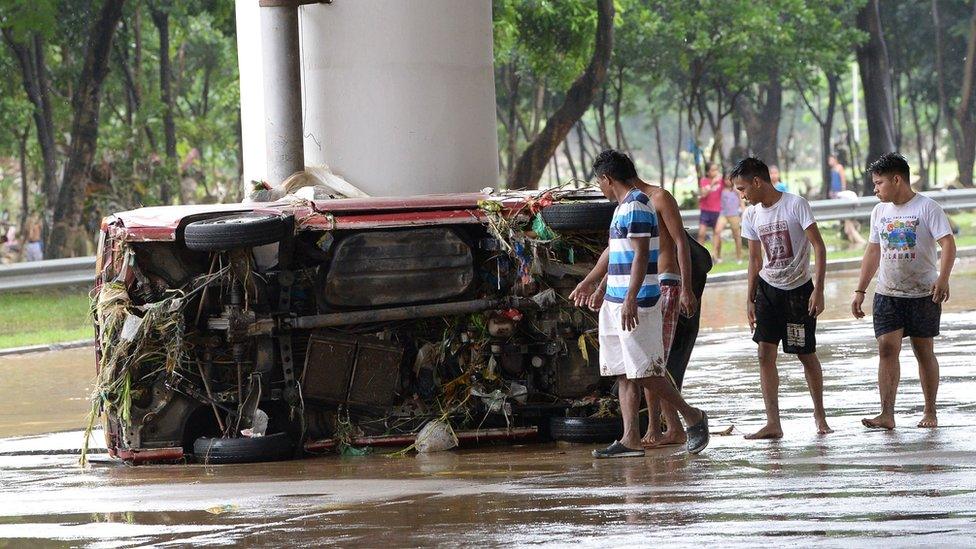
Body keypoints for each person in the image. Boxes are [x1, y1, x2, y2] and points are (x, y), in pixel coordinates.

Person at [570, 149, 709, 457]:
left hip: (638, 300)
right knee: (624, 371)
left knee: (644, 369)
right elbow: (614, 251)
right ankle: (630, 438)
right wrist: (591, 282)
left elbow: (642, 255)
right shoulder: (622, 208)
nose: (600, 189)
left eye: (599, 183)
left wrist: (632, 297)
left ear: (607, 179)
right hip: (616, 299)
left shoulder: (638, 205)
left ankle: (692, 416)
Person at [852, 153, 956, 430]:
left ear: (897, 179)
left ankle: (930, 411)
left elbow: (948, 244)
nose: (875, 189)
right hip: (888, 293)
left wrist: (942, 279)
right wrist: (860, 289)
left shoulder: (927, 207)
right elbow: (873, 250)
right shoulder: (879, 212)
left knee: (923, 351)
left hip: (923, 292)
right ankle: (887, 414)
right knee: (887, 349)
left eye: (879, 183)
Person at [731, 157, 832, 439]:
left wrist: (819, 289)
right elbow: (754, 259)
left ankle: (820, 415)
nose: (742, 195)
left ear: (757, 182)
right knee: (764, 352)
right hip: (767, 289)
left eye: (743, 189)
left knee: (805, 353)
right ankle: (773, 422)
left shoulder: (795, 205)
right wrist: (749, 298)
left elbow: (819, 248)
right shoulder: (751, 215)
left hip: (799, 291)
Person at [697, 163, 723, 255]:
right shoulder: (704, 181)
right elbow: (703, 194)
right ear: (708, 172)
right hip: (705, 211)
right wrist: (712, 184)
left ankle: (716, 255)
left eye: (716, 169)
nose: (715, 172)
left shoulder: (721, 180)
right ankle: (700, 255)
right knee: (701, 233)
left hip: (717, 211)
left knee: (717, 234)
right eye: (713, 170)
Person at [714, 178, 743, 262]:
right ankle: (716, 255)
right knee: (717, 231)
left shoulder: (736, 189)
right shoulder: (721, 189)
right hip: (723, 214)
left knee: (736, 236)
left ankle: (739, 257)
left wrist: (744, 212)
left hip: (734, 214)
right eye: (726, 179)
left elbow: (741, 201)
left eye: (729, 179)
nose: (727, 181)